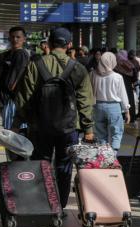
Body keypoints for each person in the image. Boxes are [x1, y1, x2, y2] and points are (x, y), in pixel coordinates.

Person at [13, 27, 94, 212]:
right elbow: (85, 102)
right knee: (64, 167)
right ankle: (60, 206)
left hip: (40, 127)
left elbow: (24, 97)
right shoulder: (79, 68)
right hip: (69, 127)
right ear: (70, 45)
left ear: (49, 43)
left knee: (41, 164)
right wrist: (88, 128)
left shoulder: (36, 64)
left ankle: (43, 204)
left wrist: (18, 123)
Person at [0, 26, 30, 130]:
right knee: (7, 126)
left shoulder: (22, 54)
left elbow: (19, 75)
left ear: (24, 39)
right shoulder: (3, 55)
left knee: (12, 130)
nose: (15, 39)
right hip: (3, 97)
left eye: (18, 37)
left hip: (14, 99)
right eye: (12, 37)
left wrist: (12, 88)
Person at [90, 52, 130, 153]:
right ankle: (113, 156)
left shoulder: (93, 74)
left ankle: (103, 157)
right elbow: (123, 95)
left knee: (100, 134)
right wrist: (127, 110)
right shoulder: (117, 77)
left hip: (97, 106)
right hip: (114, 107)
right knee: (116, 133)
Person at [115, 50, 138, 123]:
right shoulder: (130, 64)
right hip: (128, 86)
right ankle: (132, 117)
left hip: (119, 87)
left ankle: (122, 117)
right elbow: (135, 77)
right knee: (130, 101)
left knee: (120, 101)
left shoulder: (116, 65)